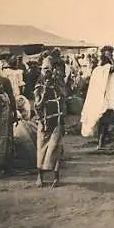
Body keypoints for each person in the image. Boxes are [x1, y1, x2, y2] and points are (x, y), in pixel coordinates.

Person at [33, 57, 67, 188]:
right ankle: (39, 177)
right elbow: (37, 105)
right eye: (44, 68)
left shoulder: (57, 81)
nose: (46, 71)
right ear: (41, 70)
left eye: (49, 68)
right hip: (44, 121)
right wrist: (45, 92)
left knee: (55, 148)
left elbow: (63, 97)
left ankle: (56, 177)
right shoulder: (39, 85)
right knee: (41, 150)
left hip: (57, 120)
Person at [80, 46, 114, 150]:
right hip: (104, 98)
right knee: (104, 121)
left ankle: (104, 140)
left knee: (104, 121)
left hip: (100, 98)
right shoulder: (104, 69)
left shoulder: (98, 69)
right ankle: (101, 144)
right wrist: (110, 57)